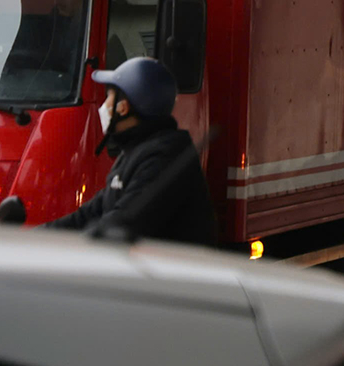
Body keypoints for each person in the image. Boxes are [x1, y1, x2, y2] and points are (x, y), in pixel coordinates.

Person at [45, 57, 216, 246]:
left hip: (173, 273)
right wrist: (35, 237)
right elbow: (92, 212)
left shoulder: (164, 158)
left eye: (109, 97)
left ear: (123, 107)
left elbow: (123, 221)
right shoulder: (135, 151)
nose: (104, 106)